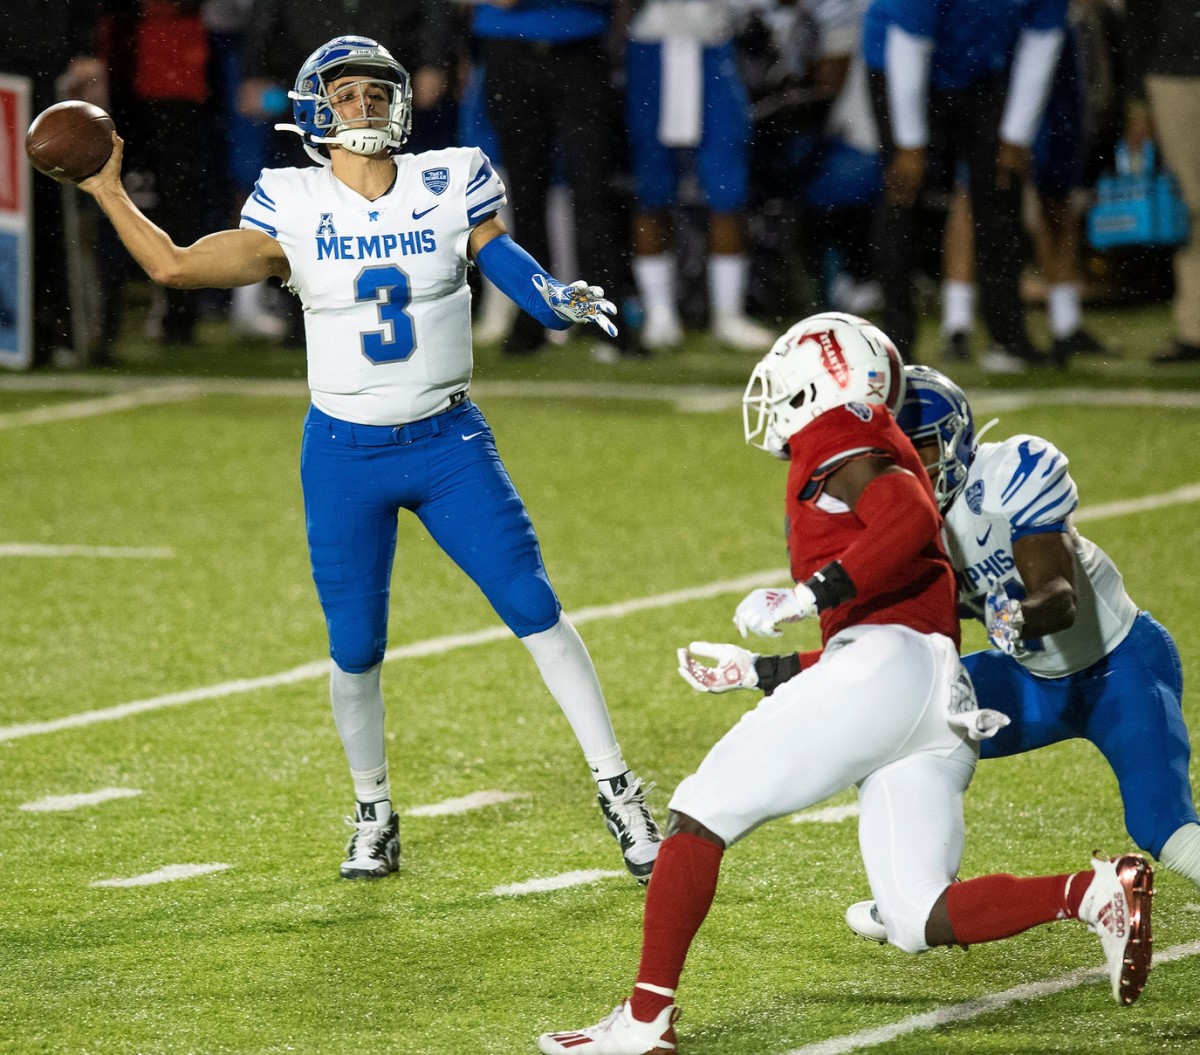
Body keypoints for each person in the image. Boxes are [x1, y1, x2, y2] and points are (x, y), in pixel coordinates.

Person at [71, 35, 661, 883]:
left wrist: (555, 296)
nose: (365, 105)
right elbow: (172, 264)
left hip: (449, 441)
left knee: (534, 605)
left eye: (375, 91)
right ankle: (373, 808)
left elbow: (502, 255)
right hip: (344, 451)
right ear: (316, 110)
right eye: (345, 95)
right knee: (354, 646)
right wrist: (107, 190)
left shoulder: (449, 178)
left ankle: (619, 791)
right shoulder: (290, 199)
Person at [538, 313, 1152, 1055]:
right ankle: (1094, 892)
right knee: (916, 911)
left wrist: (809, 595)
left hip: (887, 664)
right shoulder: (866, 434)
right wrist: (758, 670)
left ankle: (644, 1021)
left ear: (827, 376)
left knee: (699, 811)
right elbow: (894, 586)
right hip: (935, 689)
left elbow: (906, 511)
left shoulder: (843, 423)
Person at [686, 364, 1198, 945]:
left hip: (1120, 667)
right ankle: (915, 890)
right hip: (1029, 681)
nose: (910, 460)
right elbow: (874, 657)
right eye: (897, 447)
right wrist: (761, 670)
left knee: (1163, 827)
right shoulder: (894, 525)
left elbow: (1059, 601)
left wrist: (1013, 617)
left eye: (920, 445)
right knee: (890, 727)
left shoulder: (1008, 476)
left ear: (954, 437)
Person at [862, 0, 1067, 368]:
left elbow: (1042, 39)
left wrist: (1016, 135)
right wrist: (910, 144)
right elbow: (909, 42)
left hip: (982, 70)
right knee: (902, 193)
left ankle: (1007, 339)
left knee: (1002, 191)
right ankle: (894, 345)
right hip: (899, 61)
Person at [469, 0, 644, 359]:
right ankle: (533, 318)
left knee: (593, 193)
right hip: (509, 52)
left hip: (579, 51)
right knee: (525, 195)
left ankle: (606, 318)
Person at [623, 0, 777, 352]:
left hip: (714, 43)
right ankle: (659, 314)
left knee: (728, 187)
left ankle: (728, 314)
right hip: (652, 44)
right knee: (653, 187)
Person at [1123, 0, 1200, 364]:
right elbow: (1139, 18)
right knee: (1191, 203)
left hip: (1175, 65)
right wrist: (1137, 100)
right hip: (1175, 73)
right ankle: (1194, 328)